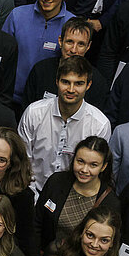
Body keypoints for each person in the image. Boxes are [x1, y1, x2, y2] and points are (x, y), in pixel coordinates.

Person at [17, 56, 112, 193]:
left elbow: (93, 171)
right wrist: (31, 196)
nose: (71, 89)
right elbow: (23, 160)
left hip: (72, 196)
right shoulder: (34, 113)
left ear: (88, 85)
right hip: (30, 190)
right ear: (56, 81)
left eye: (79, 83)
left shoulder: (99, 124)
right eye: (66, 82)